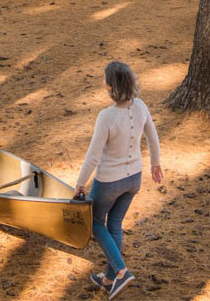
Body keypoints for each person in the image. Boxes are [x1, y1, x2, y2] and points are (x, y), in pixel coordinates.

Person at [73, 61, 163, 300]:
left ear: (111, 86)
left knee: (94, 223)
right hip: (134, 178)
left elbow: (93, 155)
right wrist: (155, 164)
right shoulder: (141, 106)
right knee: (114, 225)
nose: (102, 83)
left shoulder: (107, 116)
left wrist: (80, 184)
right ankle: (109, 278)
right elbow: (153, 138)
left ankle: (121, 270)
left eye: (104, 79)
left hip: (109, 181)